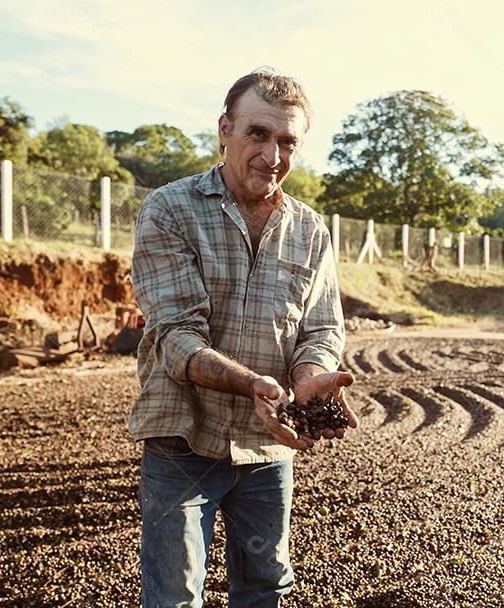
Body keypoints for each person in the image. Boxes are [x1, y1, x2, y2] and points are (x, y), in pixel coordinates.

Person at [129, 69, 357, 608]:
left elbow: (321, 327)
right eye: (258, 133)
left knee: (265, 586)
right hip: (185, 437)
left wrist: (309, 376)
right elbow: (176, 335)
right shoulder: (170, 210)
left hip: (269, 444)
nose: (272, 155)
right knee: (174, 594)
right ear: (225, 129)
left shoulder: (310, 229)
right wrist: (253, 382)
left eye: (287, 142)